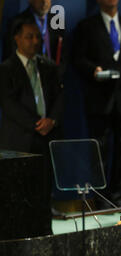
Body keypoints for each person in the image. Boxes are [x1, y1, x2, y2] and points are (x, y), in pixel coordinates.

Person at [72, 0, 121, 208]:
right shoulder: (86, 26)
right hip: (98, 99)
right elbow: (78, 58)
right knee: (99, 151)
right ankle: (99, 199)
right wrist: (93, 70)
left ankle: (118, 197)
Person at [0, 18, 64, 234]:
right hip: (19, 141)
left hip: (46, 139)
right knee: (18, 192)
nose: (35, 41)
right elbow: (9, 104)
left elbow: (59, 97)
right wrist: (36, 123)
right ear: (16, 38)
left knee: (43, 191)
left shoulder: (48, 66)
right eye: (29, 36)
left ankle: (45, 233)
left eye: (37, 36)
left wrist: (51, 120)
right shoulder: (6, 69)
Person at [2, 0, 66, 76]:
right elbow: (11, 58)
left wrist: (56, 75)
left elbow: (64, 55)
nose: (44, 2)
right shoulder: (16, 23)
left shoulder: (57, 21)